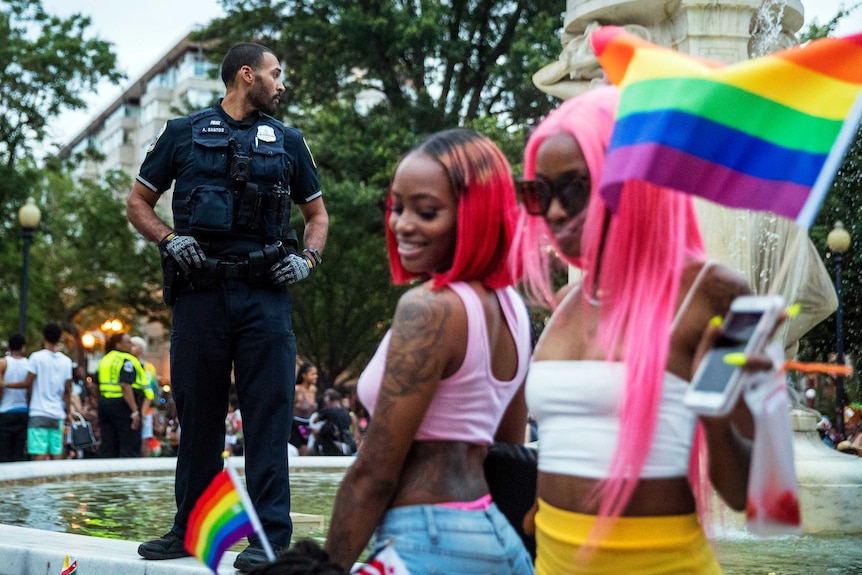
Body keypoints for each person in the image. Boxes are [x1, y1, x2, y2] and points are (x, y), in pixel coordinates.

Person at [511, 86, 758, 573]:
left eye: (575, 188)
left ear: (627, 181)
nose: (555, 211)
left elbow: (749, 495)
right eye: (539, 193)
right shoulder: (566, 304)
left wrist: (718, 412)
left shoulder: (714, 293)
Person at [127, 41, 328, 572]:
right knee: (197, 418)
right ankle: (193, 531)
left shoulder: (289, 141)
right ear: (246, 75)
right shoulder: (181, 133)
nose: (281, 83)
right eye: (275, 73)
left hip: (267, 297)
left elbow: (317, 215)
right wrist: (170, 240)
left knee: (268, 417)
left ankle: (267, 540)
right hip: (200, 295)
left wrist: (308, 259)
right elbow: (137, 202)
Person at [324, 129, 533, 574]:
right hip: (496, 542)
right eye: (397, 208)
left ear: (475, 214)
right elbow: (509, 447)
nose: (402, 224)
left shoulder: (430, 309)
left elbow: (373, 476)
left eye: (427, 211)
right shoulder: (512, 307)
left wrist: (323, 568)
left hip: (428, 544)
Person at [19, 323, 73, 461]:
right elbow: (67, 391)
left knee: (38, 451)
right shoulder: (66, 361)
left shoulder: (36, 357)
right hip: (57, 413)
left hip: (38, 411)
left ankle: (38, 481)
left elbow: (28, 383)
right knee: (57, 451)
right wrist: (68, 412)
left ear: (43, 337)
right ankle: (56, 481)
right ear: (59, 338)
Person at [97, 332, 153, 458]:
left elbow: (94, 383)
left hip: (105, 404)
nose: (130, 345)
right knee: (130, 447)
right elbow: (125, 385)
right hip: (123, 405)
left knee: (108, 446)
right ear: (118, 345)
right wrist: (134, 411)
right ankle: (129, 476)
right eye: (128, 342)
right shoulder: (127, 360)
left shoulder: (105, 359)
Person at [0, 334, 30, 462]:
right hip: (23, 410)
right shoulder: (29, 363)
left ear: (9, 346)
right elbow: (30, 388)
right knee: (19, 453)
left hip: (5, 410)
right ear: (23, 348)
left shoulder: (3, 363)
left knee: (4, 453)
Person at [129, 336, 159, 456]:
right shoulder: (126, 362)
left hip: (145, 409)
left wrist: (145, 411)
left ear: (141, 349)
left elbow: (151, 389)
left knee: (144, 440)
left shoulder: (148, 367)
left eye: (134, 345)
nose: (131, 347)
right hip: (130, 406)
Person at [307, 388, 356, 456]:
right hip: (348, 442)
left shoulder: (328, 411)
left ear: (328, 399)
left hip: (333, 443)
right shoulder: (347, 412)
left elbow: (314, 421)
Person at [291, 362, 319, 455]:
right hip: (296, 427)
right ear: (304, 375)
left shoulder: (314, 389)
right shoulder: (297, 390)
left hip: (310, 426)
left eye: (316, 374)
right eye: (312, 374)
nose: (315, 376)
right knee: (302, 452)